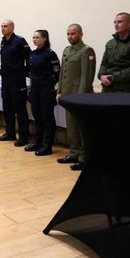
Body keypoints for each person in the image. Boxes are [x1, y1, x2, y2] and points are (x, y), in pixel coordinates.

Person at [56, 24, 96, 171]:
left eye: (73, 34)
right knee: (71, 126)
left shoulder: (86, 51)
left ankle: (84, 157)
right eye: (68, 34)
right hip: (67, 94)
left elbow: (87, 76)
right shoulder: (67, 50)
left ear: (80, 34)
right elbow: (62, 73)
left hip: (79, 95)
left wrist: (81, 96)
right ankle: (74, 152)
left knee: (81, 127)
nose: (70, 36)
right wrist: (59, 91)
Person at [24, 30, 60, 156]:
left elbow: (57, 72)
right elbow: (29, 70)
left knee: (47, 117)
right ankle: (38, 141)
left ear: (44, 39)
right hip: (35, 87)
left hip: (46, 87)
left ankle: (47, 145)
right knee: (37, 116)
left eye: (37, 37)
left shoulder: (50, 53)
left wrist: (50, 84)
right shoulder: (32, 53)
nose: (34, 39)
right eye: (33, 37)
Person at [0, 19, 31, 146]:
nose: (3, 28)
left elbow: (29, 58)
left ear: (12, 27)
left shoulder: (20, 41)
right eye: (2, 26)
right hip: (5, 81)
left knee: (20, 110)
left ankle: (23, 137)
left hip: (17, 81)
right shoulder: (3, 41)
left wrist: (23, 72)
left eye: (5, 26)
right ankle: (10, 133)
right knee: (7, 108)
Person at [98, 12, 130, 93]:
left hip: (125, 89)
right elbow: (104, 64)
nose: (116, 25)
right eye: (115, 22)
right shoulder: (110, 43)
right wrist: (101, 76)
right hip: (107, 88)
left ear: (129, 24)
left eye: (120, 22)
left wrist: (113, 78)